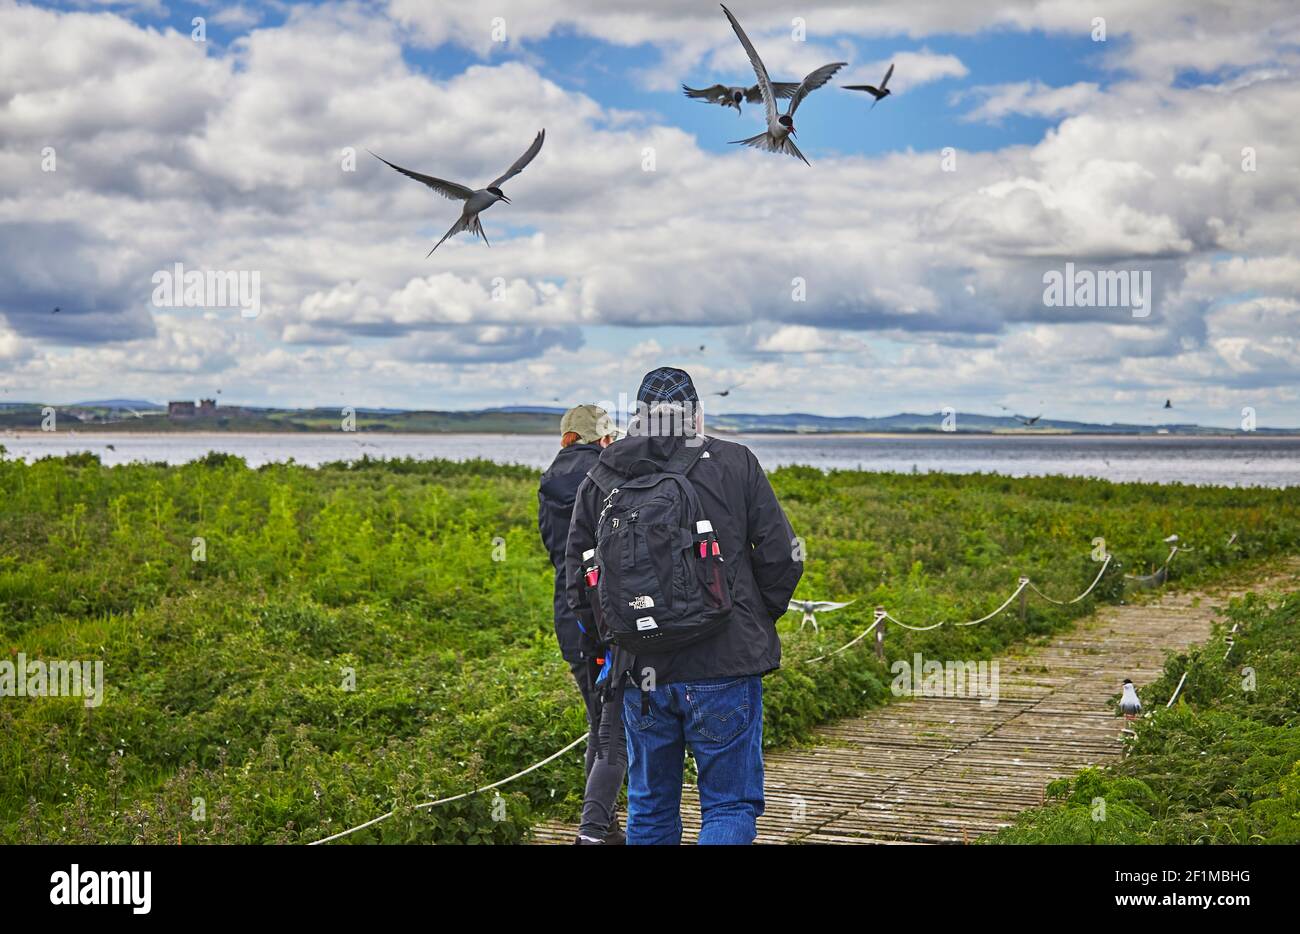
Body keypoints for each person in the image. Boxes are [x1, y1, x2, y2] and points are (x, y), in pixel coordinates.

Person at [565, 367, 802, 845]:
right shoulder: (736, 462)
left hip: (641, 671)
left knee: (650, 808)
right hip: (725, 663)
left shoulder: (601, 475)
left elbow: (579, 582)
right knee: (729, 805)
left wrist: (617, 638)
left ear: (639, 417)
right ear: (695, 415)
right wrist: (750, 618)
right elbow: (782, 557)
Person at [537, 403, 626, 844]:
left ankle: (605, 827)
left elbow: (559, 552)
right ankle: (597, 830)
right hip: (608, 614)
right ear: (604, 437)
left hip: (568, 614)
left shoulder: (550, 479)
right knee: (614, 727)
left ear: (567, 437)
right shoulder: (608, 477)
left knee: (599, 719)